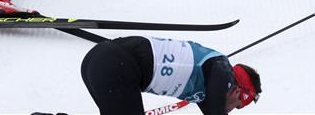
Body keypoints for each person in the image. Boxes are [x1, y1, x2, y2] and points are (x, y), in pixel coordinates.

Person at [80, 36, 261, 115]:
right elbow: (215, 108)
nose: (229, 111)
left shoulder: (209, 86)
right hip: (115, 64)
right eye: (237, 106)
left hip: (102, 62)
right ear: (238, 91)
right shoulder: (221, 68)